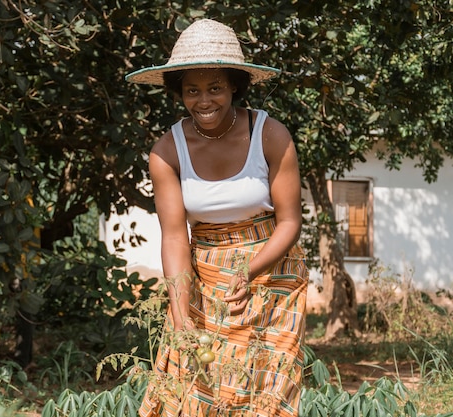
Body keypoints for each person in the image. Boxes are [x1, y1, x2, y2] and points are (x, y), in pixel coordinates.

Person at [126, 18, 308, 417]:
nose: (204, 100)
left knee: (265, 388)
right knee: (201, 386)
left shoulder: (270, 135)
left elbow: (290, 221)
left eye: (215, 88)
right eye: (192, 90)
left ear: (234, 87)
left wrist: (249, 271)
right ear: (178, 93)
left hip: (273, 274)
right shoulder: (166, 151)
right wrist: (179, 315)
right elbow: (175, 237)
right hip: (205, 276)